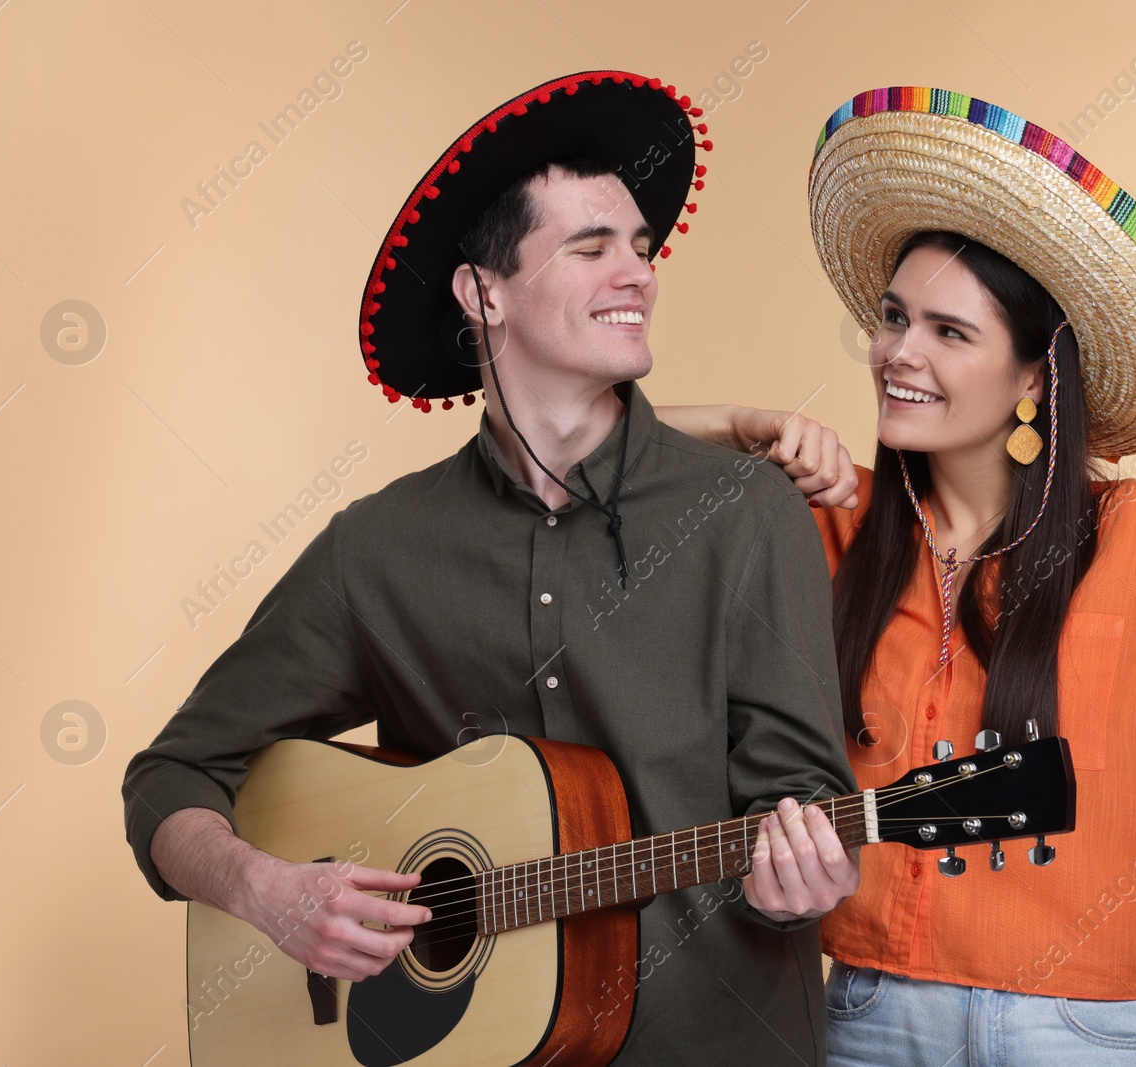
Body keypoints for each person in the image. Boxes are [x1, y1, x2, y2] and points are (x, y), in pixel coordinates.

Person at [660, 86, 1136, 1065]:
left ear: (1031, 378)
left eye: (948, 331)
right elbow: (564, 459)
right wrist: (737, 426)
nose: (898, 352)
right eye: (893, 318)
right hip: (873, 1017)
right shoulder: (829, 521)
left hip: (1095, 1029)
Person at [121, 70, 860, 1065]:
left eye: (641, 247)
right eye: (589, 247)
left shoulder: (746, 509)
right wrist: (271, 891)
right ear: (482, 292)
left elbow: (806, 799)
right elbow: (170, 775)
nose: (638, 273)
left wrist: (810, 870)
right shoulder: (376, 548)